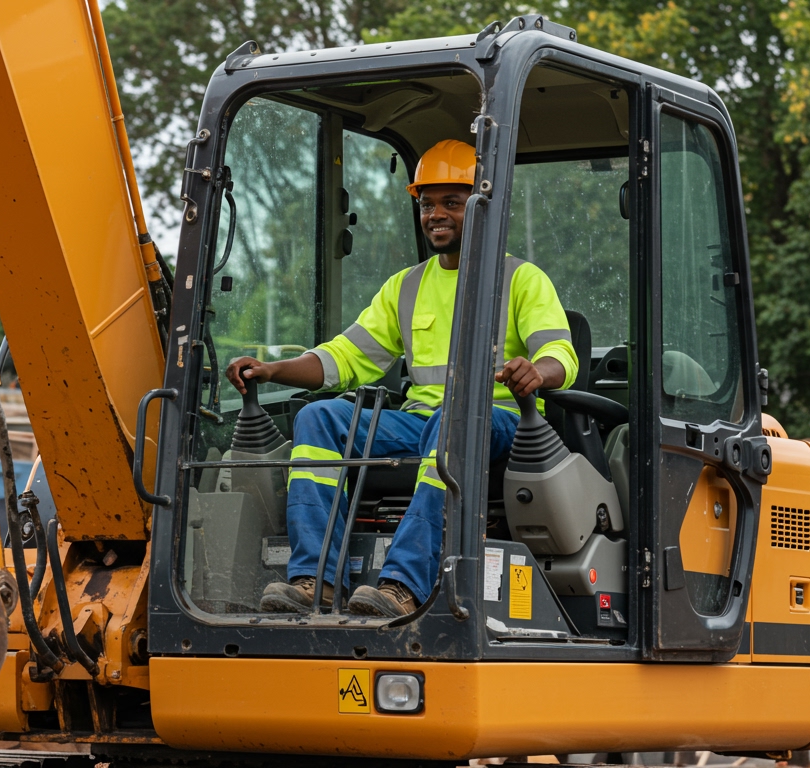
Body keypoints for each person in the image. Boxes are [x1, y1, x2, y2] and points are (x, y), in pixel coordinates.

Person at [225, 139, 578, 617]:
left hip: (498, 424)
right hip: (421, 422)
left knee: (453, 421)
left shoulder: (520, 280)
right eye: (427, 203)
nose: (436, 214)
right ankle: (316, 580)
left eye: (452, 202)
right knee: (319, 418)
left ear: (484, 207)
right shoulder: (406, 286)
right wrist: (273, 369)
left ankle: (404, 584)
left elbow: (561, 353)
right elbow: (344, 357)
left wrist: (538, 371)